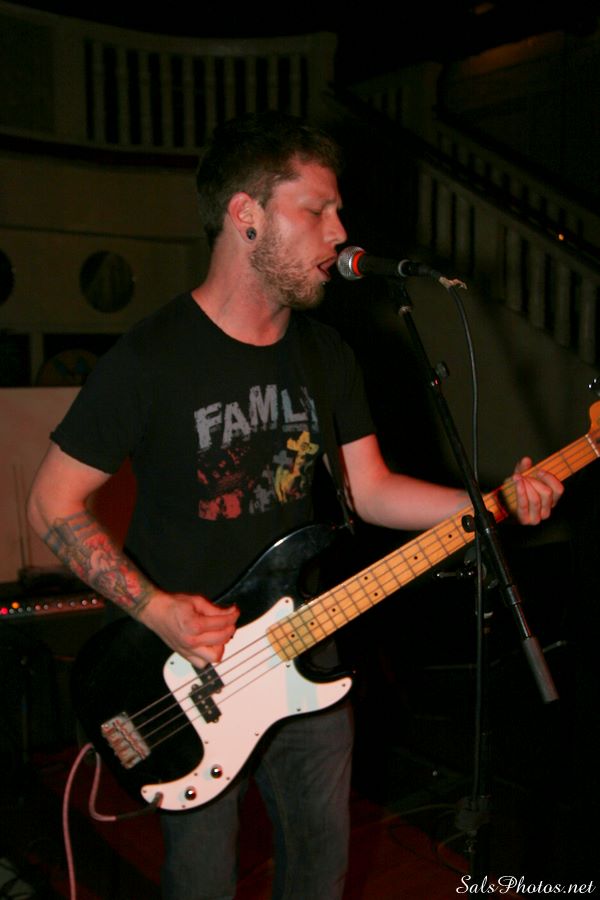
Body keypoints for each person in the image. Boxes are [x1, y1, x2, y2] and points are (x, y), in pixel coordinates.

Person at [27, 111, 563, 900]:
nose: (339, 231)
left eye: (338, 210)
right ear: (246, 215)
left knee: (318, 876)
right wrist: (155, 610)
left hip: (308, 654)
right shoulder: (150, 356)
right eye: (316, 209)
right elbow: (51, 504)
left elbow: (370, 490)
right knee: (202, 884)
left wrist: (492, 503)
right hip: (186, 675)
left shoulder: (327, 354)